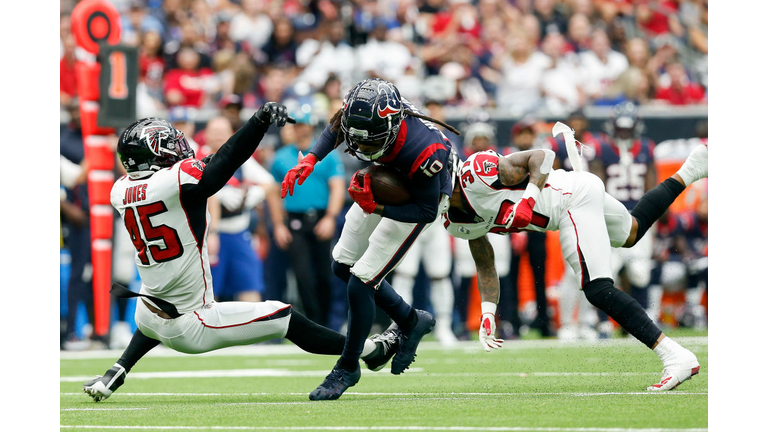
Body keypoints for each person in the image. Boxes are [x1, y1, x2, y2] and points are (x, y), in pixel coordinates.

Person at [82, 103, 399, 402]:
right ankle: (372, 350)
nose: (178, 148)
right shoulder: (176, 182)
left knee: (157, 309)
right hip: (194, 323)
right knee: (284, 317)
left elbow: (212, 162)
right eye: (170, 144)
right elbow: (225, 163)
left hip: (149, 310)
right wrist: (258, 123)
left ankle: (115, 372)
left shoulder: (120, 190)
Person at [442, 124, 707, 391]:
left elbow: (542, 156)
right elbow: (485, 262)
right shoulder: (452, 221)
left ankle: (676, 357)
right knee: (632, 232)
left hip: (570, 199)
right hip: (579, 191)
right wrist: (488, 312)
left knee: (597, 288)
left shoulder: (476, 172)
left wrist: (527, 201)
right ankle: (692, 169)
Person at [281, 78, 461, 400]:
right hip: (389, 175)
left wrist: (375, 205)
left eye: (369, 143)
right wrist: (311, 159)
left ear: (390, 127)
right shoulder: (363, 112)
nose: (361, 149)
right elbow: (338, 126)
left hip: (422, 197)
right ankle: (410, 319)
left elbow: (425, 210)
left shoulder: (424, 150)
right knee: (341, 265)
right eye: (358, 142)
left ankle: (348, 366)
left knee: (361, 280)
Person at [270, 107, 345, 327]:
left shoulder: (327, 156)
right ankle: (314, 325)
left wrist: (330, 217)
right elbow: (273, 194)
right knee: (303, 276)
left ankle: (327, 323)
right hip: (294, 219)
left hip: (320, 217)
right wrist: (278, 224)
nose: (301, 130)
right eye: (298, 125)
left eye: (304, 125)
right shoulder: (281, 157)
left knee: (325, 274)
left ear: (311, 127)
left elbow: (337, 187)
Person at [590, 101, 657, 334]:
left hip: (638, 217)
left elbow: (651, 187)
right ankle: (602, 322)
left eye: (628, 129)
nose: (624, 133)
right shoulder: (601, 149)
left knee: (639, 272)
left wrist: (650, 216)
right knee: (605, 272)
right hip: (610, 218)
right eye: (621, 128)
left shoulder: (646, 148)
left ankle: (640, 321)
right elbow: (597, 186)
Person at [199, 116, 271, 304]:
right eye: (214, 132)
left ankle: (255, 332)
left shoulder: (240, 159)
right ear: (205, 135)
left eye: (222, 133)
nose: (218, 137)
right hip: (208, 236)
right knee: (208, 294)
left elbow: (269, 183)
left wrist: (255, 193)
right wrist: (218, 193)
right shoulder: (196, 158)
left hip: (238, 232)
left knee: (249, 287)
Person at [507, 119, 553, 337]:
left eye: (528, 134)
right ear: (515, 137)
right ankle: (512, 321)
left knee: (539, 275)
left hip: (535, 222)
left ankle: (544, 320)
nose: (525, 139)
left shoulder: (541, 156)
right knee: (511, 276)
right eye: (521, 134)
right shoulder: (506, 157)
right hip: (510, 223)